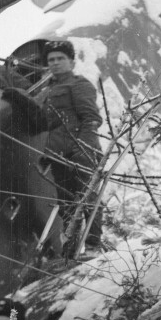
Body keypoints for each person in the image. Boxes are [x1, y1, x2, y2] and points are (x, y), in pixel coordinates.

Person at [35, 39, 104, 250]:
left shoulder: (79, 85)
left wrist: (83, 150)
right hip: (58, 155)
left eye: (60, 59)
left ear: (72, 62)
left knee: (88, 197)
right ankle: (71, 249)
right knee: (66, 203)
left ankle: (93, 245)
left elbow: (91, 119)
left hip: (80, 152)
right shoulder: (46, 90)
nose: (55, 63)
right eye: (51, 60)